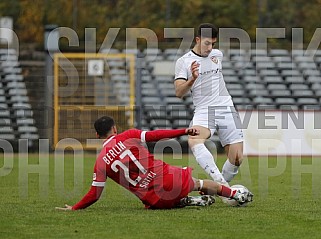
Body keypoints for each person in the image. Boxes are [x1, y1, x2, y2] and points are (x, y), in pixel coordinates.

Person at [56, 116, 251, 211]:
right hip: (169, 181)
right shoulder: (129, 135)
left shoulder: (100, 162)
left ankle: (188, 201)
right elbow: (156, 135)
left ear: (97, 135)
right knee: (200, 184)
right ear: (115, 128)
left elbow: (94, 194)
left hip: (153, 200)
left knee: (156, 200)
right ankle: (235, 194)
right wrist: (183, 131)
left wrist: (74, 208)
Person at [174, 23, 244, 186]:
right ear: (197, 40)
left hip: (227, 107)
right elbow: (178, 92)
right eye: (207, 43)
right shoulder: (184, 62)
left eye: (213, 43)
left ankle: (219, 188)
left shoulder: (217, 55)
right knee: (194, 140)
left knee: (237, 158)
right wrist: (192, 79)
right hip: (204, 111)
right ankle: (223, 186)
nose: (210, 47)